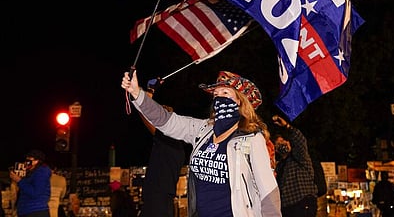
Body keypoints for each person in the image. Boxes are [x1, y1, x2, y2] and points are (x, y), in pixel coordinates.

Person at [121, 69, 281, 217]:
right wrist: (137, 93)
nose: (219, 97)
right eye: (216, 94)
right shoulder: (202, 130)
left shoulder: (252, 139)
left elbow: (268, 191)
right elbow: (166, 121)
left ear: (240, 101)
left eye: (226, 92)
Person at [139, 78, 186, 217]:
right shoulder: (177, 145)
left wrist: (150, 91)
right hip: (163, 200)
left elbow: (145, 112)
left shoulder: (168, 139)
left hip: (157, 200)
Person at [272, 115, 318, 217]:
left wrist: (287, 126)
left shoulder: (299, 158)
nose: (282, 144)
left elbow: (300, 141)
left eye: (283, 141)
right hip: (287, 209)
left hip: (302, 203)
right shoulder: (279, 167)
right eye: (278, 144)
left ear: (289, 142)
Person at [9, 149, 52, 217]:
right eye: (26, 161)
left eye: (29, 161)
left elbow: (35, 192)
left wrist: (19, 180)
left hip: (35, 211)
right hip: (29, 210)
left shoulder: (42, 171)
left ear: (36, 161)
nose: (26, 163)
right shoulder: (32, 172)